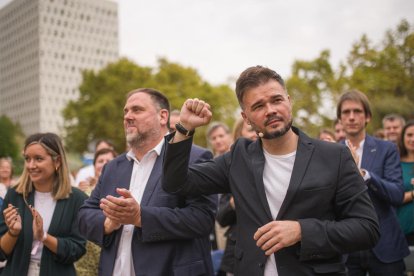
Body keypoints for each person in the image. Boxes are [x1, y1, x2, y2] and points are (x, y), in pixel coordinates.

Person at [162, 65, 379, 276]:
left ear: (289, 102)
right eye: (258, 106)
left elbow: (367, 228)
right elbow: (176, 183)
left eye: (276, 100)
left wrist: (302, 231)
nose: (271, 110)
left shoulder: (334, 156)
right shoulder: (239, 157)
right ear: (246, 118)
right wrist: (184, 128)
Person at [78, 88, 217, 276]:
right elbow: (84, 215)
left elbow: (202, 219)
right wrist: (109, 223)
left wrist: (140, 217)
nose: (128, 116)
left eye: (137, 110)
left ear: (162, 116)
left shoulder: (195, 157)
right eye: (125, 111)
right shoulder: (112, 167)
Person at [336, 90, 409, 275]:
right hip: (346, 247)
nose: (351, 117)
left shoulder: (387, 149)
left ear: (367, 116)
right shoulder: (330, 152)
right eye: (346, 112)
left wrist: (365, 175)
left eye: (357, 111)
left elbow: (397, 194)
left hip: (385, 244)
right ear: (340, 118)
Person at [0, 132, 87, 275]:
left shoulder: (77, 199)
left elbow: (76, 250)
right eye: (27, 159)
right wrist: (13, 232)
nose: (31, 165)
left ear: (57, 161)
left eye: (38, 159)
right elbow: (2, 252)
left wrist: (44, 237)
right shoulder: (15, 195)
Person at [216, 117, 259, 276]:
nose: (255, 134)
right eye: (250, 130)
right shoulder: (231, 168)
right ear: (239, 135)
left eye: (257, 130)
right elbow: (221, 217)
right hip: (237, 255)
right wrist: (234, 203)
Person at [75, 148, 118, 276]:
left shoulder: (121, 192)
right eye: (100, 161)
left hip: (112, 258)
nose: (104, 163)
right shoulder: (81, 193)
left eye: (108, 160)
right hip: (86, 262)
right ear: (94, 166)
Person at [397, 120, 414, 245]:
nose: (413, 139)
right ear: (402, 137)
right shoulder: (395, 164)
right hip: (404, 231)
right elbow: (391, 196)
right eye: (409, 135)